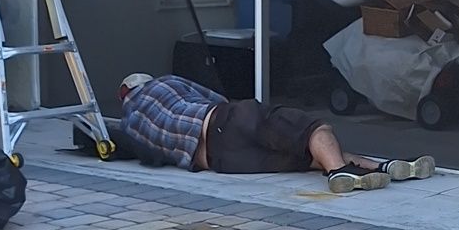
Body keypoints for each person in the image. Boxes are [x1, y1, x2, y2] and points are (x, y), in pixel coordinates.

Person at [114, 73, 434, 192]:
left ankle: (381, 168)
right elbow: (218, 101)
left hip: (221, 161)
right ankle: (339, 172)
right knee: (312, 130)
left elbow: (154, 158)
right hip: (223, 121)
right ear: (144, 82)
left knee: (307, 157)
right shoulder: (164, 82)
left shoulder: (130, 127)